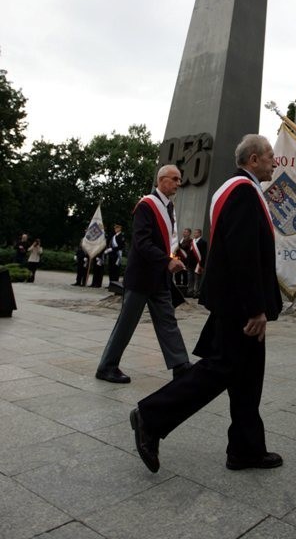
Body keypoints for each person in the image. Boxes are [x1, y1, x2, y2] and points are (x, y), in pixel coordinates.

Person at [129, 134, 283, 474]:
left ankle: (246, 449)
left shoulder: (234, 189)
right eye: (270, 155)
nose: (276, 161)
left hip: (233, 298)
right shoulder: (243, 192)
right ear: (253, 160)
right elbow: (243, 252)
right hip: (240, 304)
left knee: (247, 376)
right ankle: (150, 417)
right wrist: (256, 307)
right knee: (221, 369)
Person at [95, 164, 190, 384]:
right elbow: (142, 242)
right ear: (162, 180)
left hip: (159, 277)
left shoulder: (169, 208)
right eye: (175, 179)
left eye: (179, 179)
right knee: (127, 323)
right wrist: (167, 261)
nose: (178, 183)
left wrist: (171, 262)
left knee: (168, 321)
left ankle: (180, 365)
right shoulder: (146, 206)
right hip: (141, 277)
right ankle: (106, 367)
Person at [187, 228, 207, 297]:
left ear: (200, 234)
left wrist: (202, 265)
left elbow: (204, 254)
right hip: (190, 263)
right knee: (190, 278)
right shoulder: (192, 242)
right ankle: (190, 291)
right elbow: (189, 253)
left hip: (198, 263)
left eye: (196, 233)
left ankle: (196, 292)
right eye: (194, 233)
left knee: (197, 278)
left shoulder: (203, 242)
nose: (195, 234)